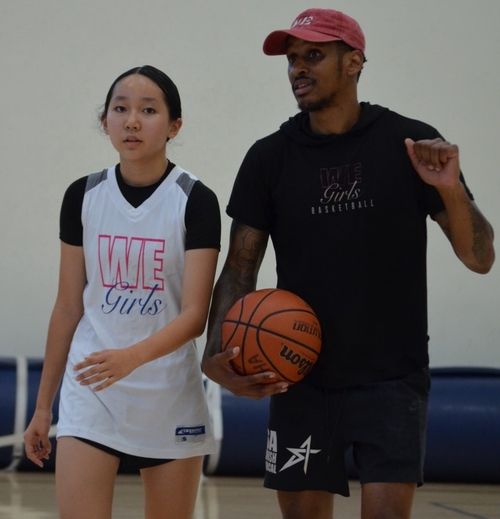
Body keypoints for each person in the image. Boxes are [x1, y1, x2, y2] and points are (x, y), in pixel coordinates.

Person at [202, 8, 495, 519]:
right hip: (299, 375)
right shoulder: (269, 158)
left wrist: (450, 192)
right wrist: (216, 353)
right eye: (292, 59)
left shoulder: (410, 143)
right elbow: (239, 268)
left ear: (354, 61)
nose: (298, 68)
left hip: (392, 376)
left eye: (313, 55)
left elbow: (480, 257)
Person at [23, 65, 221, 519]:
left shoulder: (195, 199)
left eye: (148, 110)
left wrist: (130, 357)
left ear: (174, 125)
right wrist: (42, 408)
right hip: (92, 389)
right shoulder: (83, 195)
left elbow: (194, 315)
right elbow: (68, 307)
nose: (132, 120)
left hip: (169, 392)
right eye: (121, 109)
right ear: (105, 122)